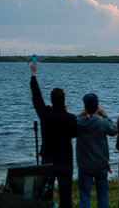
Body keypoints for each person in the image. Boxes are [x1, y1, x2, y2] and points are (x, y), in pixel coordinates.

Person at [30, 63, 77, 208]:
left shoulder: (45, 115)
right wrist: (66, 112)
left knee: (45, 196)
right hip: (65, 162)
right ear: (64, 101)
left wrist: (33, 75)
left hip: (48, 160)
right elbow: (75, 133)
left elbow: (37, 98)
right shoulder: (70, 118)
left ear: (51, 100)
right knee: (66, 197)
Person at [76, 93, 118, 208]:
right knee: (103, 195)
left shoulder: (79, 123)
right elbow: (114, 130)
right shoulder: (102, 122)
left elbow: (70, 123)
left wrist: (81, 114)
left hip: (84, 165)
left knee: (84, 196)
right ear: (97, 106)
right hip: (100, 164)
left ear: (85, 106)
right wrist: (105, 116)